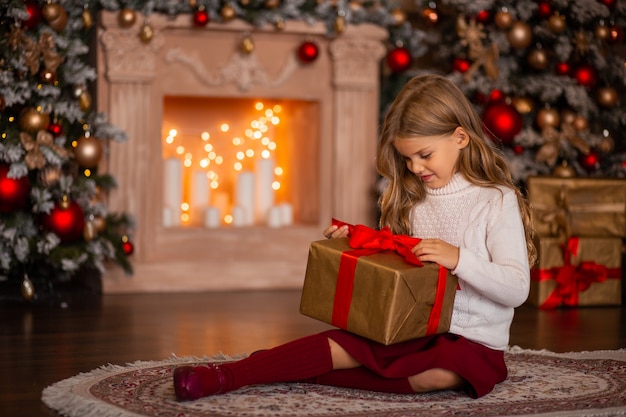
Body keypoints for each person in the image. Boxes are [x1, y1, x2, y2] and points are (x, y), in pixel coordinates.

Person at [173, 74, 536, 401]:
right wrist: (358, 242)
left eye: (424, 155)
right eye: (407, 159)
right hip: (413, 327)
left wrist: (460, 259)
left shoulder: (495, 199)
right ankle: (227, 376)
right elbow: (401, 268)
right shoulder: (417, 201)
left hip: (472, 341)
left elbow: (517, 288)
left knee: (436, 376)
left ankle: (310, 376)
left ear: (460, 137)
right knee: (338, 345)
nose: (415, 168)